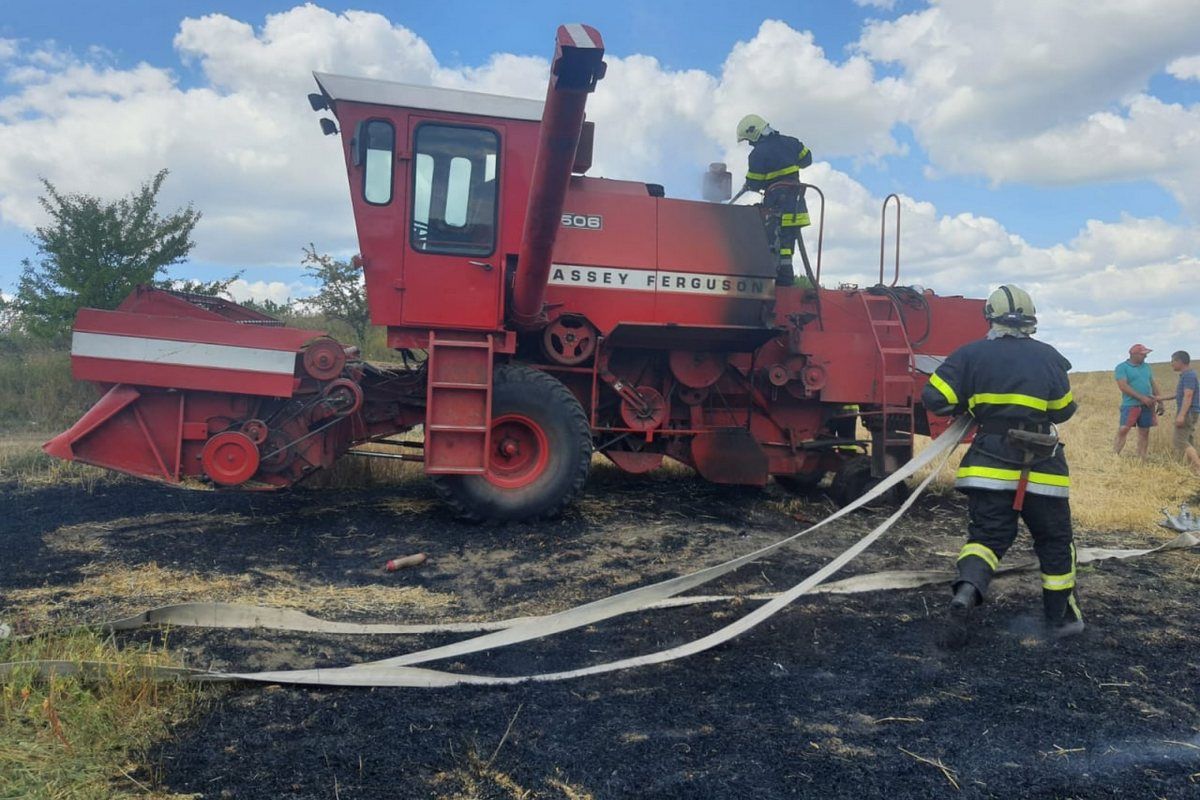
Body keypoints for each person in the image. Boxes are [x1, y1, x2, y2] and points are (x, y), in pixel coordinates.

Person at [921, 285, 1082, 644]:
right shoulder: (1049, 357)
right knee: (1055, 541)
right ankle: (1061, 620)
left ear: (990, 318)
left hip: (988, 466)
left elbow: (934, 397)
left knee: (986, 538)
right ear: (1031, 319)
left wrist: (970, 404)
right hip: (1043, 467)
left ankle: (966, 592)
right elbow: (1063, 410)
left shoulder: (969, 354)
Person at [735, 114, 813, 287]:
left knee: (773, 242)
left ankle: (779, 276)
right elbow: (807, 159)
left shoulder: (757, 154)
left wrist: (749, 184)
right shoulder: (791, 142)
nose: (750, 144)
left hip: (776, 207)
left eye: (749, 140)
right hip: (796, 205)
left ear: (754, 133)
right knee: (787, 242)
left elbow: (754, 183)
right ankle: (786, 276)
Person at [1113, 344, 1161, 461]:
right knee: (1124, 429)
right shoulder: (1122, 367)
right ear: (1133, 354)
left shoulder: (1146, 367)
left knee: (1145, 431)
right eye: (1142, 354)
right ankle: (1114, 456)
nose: (1145, 356)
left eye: (1145, 354)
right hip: (1130, 405)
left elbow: (1152, 384)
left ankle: (1141, 459)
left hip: (1147, 405)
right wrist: (1142, 398)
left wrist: (1160, 401)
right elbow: (1123, 386)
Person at [1156, 350, 1200, 476]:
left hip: (1187, 412)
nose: (1171, 364)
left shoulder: (1188, 376)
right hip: (1190, 412)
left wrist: (1181, 415)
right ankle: (1194, 469)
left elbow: (1188, 395)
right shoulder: (1187, 375)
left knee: (1179, 440)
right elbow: (1179, 394)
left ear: (1180, 361)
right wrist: (1160, 398)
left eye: (1173, 361)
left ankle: (1198, 467)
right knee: (1188, 440)